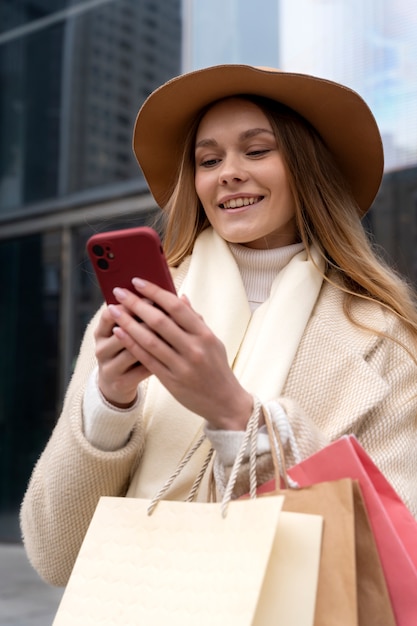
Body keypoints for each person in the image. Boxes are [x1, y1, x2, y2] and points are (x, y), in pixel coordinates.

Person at [21, 64, 417, 587]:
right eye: (209, 160)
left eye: (256, 151)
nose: (228, 172)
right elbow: (54, 555)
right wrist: (108, 402)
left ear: (308, 169)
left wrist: (235, 413)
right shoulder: (141, 310)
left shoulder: (385, 338)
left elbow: (393, 564)